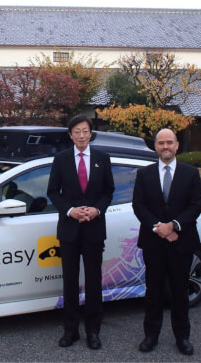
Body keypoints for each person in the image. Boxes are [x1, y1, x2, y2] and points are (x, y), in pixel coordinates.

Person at [132, 128, 201, 355]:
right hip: (153, 242)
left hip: (181, 242)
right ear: (155, 146)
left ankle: (182, 337)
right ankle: (150, 335)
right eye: (161, 143)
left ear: (177, 145)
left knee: (179, 291)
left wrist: (173, 226)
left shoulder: (191, 173)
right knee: (153, 291)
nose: (165, 146)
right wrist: (159, 228)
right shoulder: (144, 174)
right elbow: (138, 206)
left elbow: (195, 206)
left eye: (169, 142)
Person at [47, 114, 114, 350]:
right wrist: (70, 210)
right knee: (70, 282)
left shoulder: (102, 158)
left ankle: (94, 331)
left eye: (85, 131)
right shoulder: (61, 159)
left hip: (94, 228)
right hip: (70, 230)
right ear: (70, 135)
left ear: (90, 133)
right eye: (77, 131)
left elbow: (108, 191)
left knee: (94, 281)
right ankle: (71, 330)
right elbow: (53, 192)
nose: (82, 135)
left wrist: (97, 210)